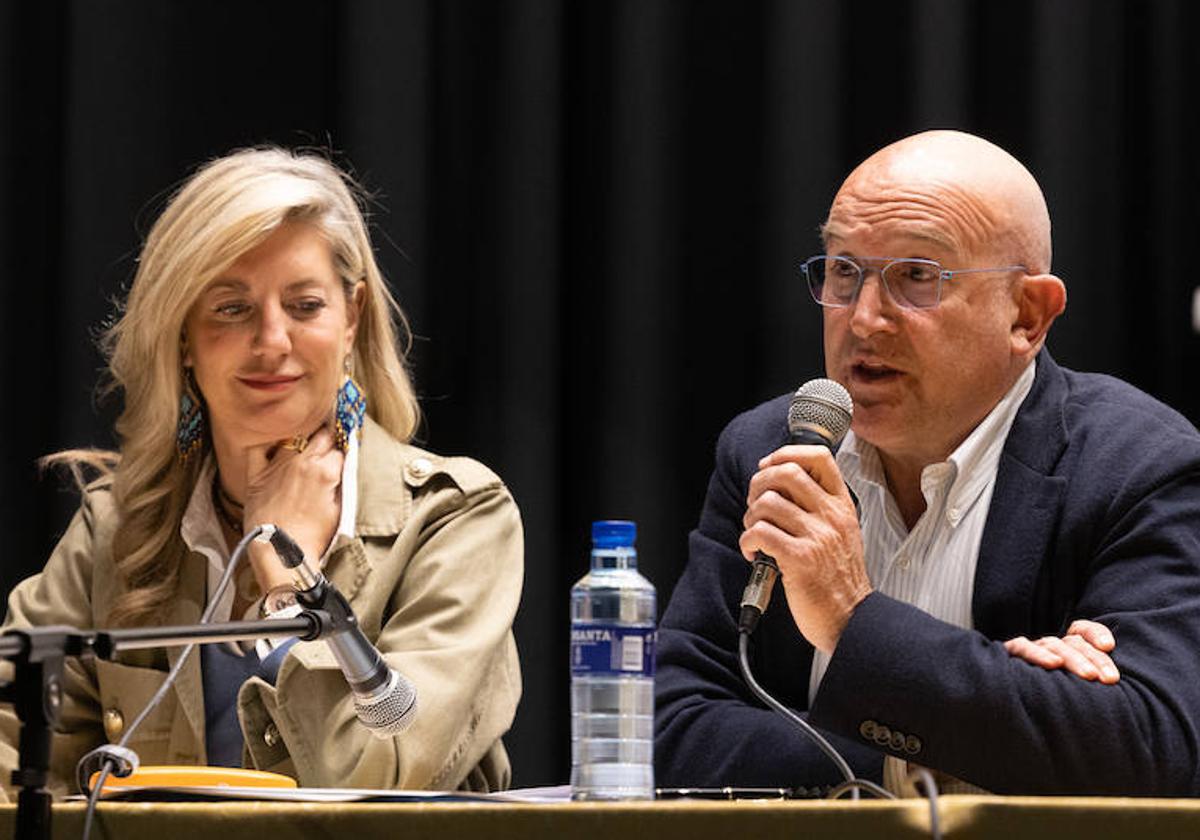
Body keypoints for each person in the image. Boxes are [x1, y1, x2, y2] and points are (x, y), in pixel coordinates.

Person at [655, 130, 1200, 796]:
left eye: (917, 277)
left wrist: (852, 619)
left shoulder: (1137, 467)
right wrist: (933, 757)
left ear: (1027, 315)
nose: (863, 320)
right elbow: (669, 730)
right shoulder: (771, 450)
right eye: (843, 271)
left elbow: (1157, 745)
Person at [0, 148, 523, 799]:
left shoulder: (455, 519)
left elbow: (372, 777)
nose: (273, 340)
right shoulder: (116, 529)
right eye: (231, 308)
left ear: (352, 317)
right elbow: (14, 748)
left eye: (305, 305)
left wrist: (291, 587)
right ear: (182, 334)